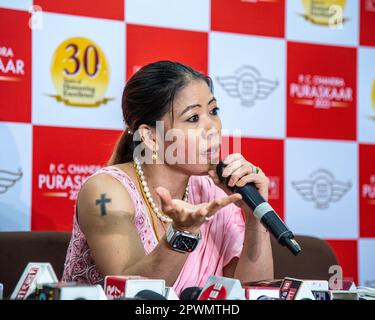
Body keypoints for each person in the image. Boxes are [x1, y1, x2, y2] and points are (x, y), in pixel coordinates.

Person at [62, 60, 274, 296]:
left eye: (214, 111)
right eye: (193, 118)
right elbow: (133, 294)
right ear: (151, 137)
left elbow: (252, 292)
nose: (213, 128)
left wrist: (254, 215)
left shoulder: (214, 194)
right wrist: (184, 232)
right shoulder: (105, 191)